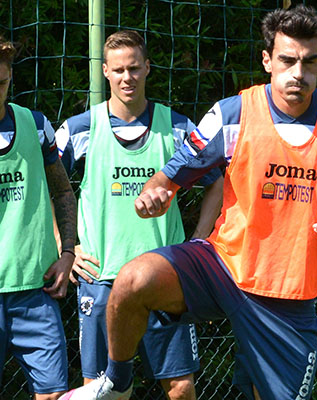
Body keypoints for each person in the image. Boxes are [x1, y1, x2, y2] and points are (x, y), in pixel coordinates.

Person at [60, 5, 317, 400]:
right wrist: (157, 192)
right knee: (133, 280)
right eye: (287, 60)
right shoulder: (230, 115)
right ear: (267, 60)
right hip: (222, 267)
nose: (297, 73)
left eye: (308, 62)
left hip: (288, 296)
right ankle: (116, 381)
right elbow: (169, 177)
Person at [56, 30, 223, 400]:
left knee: (181, 389)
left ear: (148, 68)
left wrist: (198, 243)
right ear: (105, 72)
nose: (127, 77)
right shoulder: (80, 129)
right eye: (118, 70)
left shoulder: (178, 128)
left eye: (134, 68)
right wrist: (65, 248)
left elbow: (217, 182)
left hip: (165, 278)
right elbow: (47, 189)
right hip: (102, 279)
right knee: (101, 392)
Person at [0, 36, 77, 399]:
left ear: (10, 78)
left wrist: (68, 254)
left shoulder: (36, 125)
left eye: (0, 82)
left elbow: (62, 191)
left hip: (35, 291)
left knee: (52, 395)